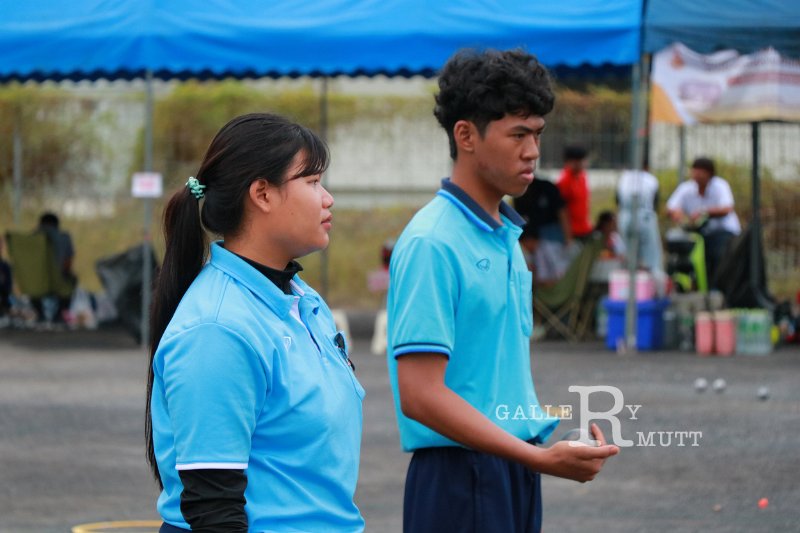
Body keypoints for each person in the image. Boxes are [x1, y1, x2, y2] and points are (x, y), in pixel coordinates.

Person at [387, 49, 619, 533]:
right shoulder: (434, 242)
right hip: (458, 477)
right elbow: (420, 395)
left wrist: (538, 447)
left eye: (537, 133)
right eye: (518, 134)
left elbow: (489, 380)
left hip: (509, 466)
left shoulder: (506, 235)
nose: (533, 150)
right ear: (465, 135)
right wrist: (538, 459)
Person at [145, 113, 365, 532]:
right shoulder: (217, 329)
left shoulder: (301, 298)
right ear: (262, 194)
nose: (328, 198)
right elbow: (214, 510)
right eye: (313, 181)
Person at [666, 157, 741, 286]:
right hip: (700, 234)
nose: (697, 176)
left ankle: (717, 287)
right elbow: (671, 207)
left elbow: (727, 208)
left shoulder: (720, 186)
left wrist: (704, 212)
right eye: (695, 172)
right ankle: (691, 284)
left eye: (701, 172)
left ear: (709, 174)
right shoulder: (687, 188)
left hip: (723, 231)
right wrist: (679, 215)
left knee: (717, 254)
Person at [513, 174, 577, 284]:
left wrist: (568, 239)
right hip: (529, 241)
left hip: (552, 239)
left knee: (554, 275)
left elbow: (562, 212)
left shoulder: (546, 188)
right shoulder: (517, 193)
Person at [616, 167, 663, 273]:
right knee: (651, 259)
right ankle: (654, 286)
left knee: (629, 257)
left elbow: (617, 200)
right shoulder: (651, 179)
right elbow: (655, 202)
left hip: (625, 217)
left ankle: (629, 286)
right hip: (645, 216)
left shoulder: (624, 177)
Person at [35, 212, 76, 321]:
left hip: (34, 281)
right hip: (58, 280)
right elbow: (68, 261)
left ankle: (40, 314)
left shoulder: (29, 240)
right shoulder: (64, 237)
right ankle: (59, 315)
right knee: (72, 279)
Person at [557, 144, 593, 240]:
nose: (582, 164)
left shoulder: (582, 177)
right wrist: (568, 236)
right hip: (572, 232)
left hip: (584, 228)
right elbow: (562, 210)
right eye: (578, 161)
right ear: (569, 162)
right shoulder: (564, 181)